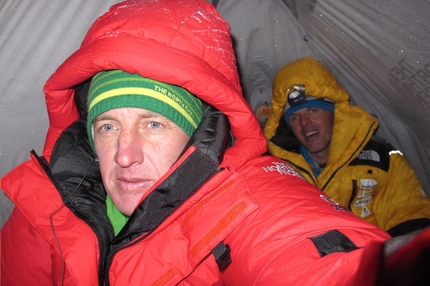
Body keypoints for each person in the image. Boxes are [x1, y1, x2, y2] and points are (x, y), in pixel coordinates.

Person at [1, 1, 429, 285]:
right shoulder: (45, 206)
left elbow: (298, 242)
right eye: (107, 127)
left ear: (198, 135)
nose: (124, 155)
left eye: (153, 124)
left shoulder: (244, 192)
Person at [264, 56, 430, 237]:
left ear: (334, 113)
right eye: (295, 118)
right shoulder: (278, 171)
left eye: (313, 110)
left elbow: (409, 213)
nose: (305, 124)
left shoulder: (381, 159)